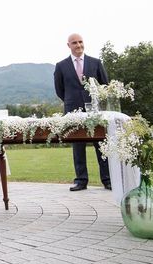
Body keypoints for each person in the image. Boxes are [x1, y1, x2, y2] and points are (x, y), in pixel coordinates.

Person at [54, 33, 111, 192]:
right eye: (74, 43)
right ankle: (81, 181)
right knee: (77, 147)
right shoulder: (61, 66)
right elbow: (60, 90)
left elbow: (105, 86)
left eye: (80, 42)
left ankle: (107, 180)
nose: (78, 45)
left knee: (101, 145)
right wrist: (71, 101)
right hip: (73, 111)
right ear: (69, 45)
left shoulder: (96, 63)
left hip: (95, 110)